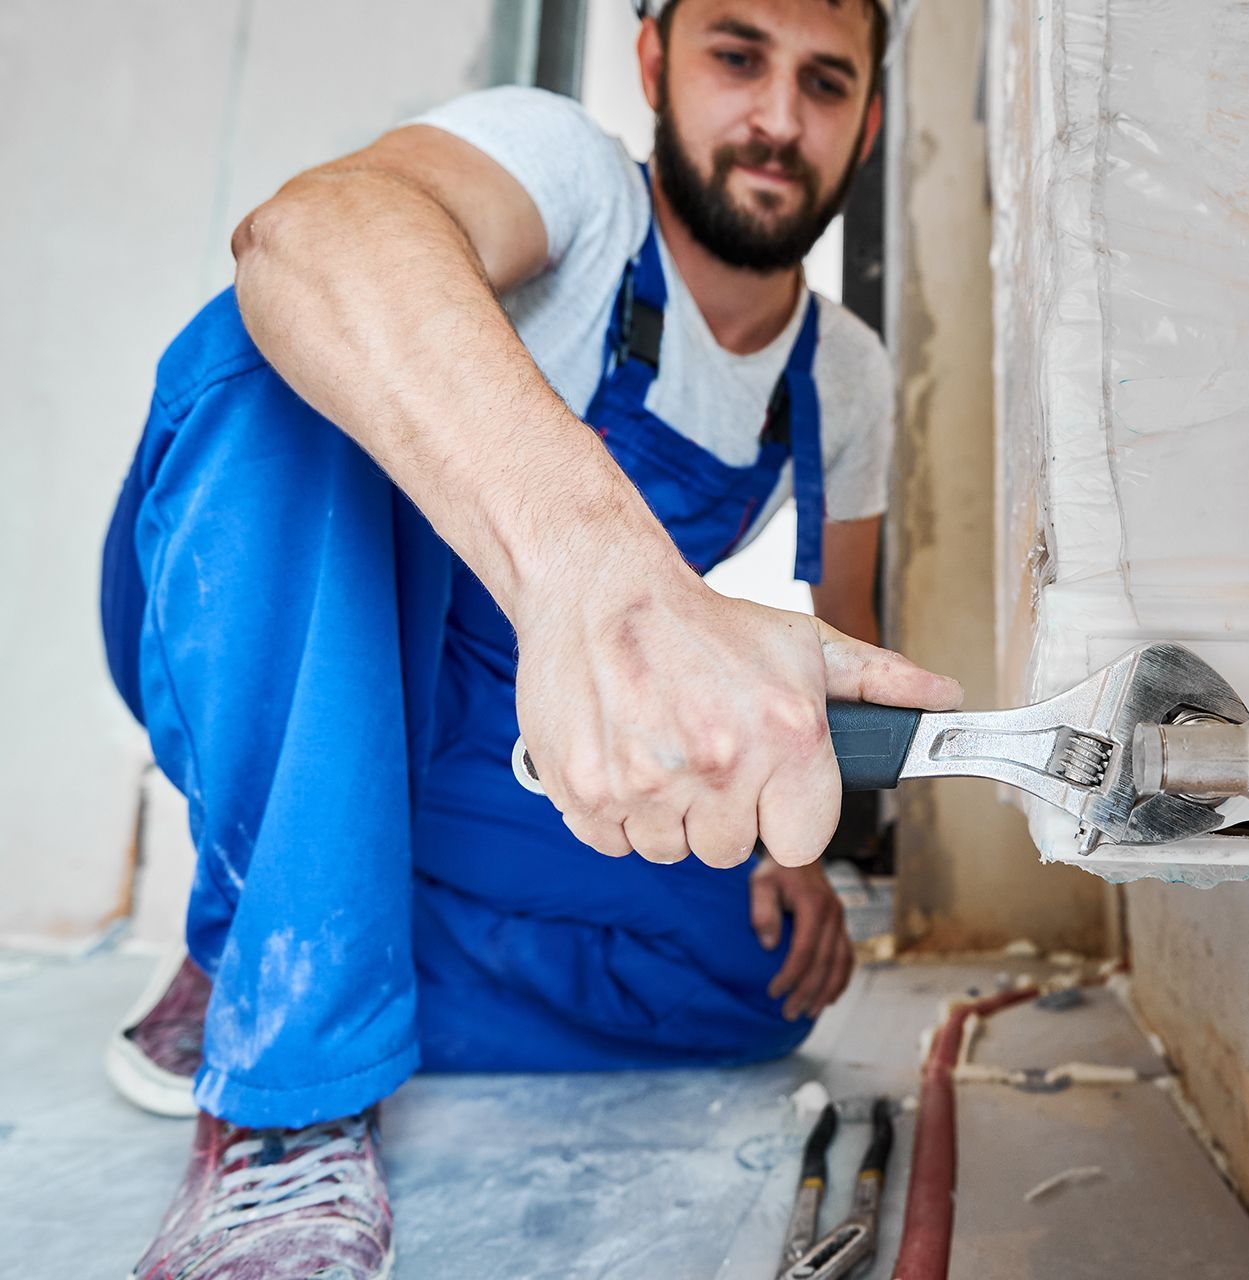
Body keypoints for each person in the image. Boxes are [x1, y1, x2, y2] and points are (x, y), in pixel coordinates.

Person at [98, 0, 957, 1275]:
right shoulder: (566, 179)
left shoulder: (842, 373)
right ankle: (282, 1097)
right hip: (304, 640)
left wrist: (798, 838)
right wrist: (588, 566)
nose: (779, 119)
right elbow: (308, 233)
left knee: (756, 983)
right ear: (654, 61)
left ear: (869, 121)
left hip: (520, 746)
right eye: (737, 57)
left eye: (826, 84)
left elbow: (845, 624)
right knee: (267, 352)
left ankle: (270, 939)